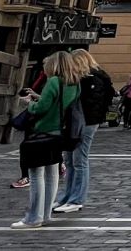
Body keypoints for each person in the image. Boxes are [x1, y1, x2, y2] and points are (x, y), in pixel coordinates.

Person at [12, 51, 81, 229]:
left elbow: (41, 108)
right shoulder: (74, 84)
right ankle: (46, 214)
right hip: (59, 133)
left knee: (36, 175)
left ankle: (34, 217)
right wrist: (41, 98)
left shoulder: (53, 81)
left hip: (43, 131)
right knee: (52, 174)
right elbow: (60, 104)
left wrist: (30, 103)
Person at [54, 50, 111, 213]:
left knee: (79, 160)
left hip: (86, 122)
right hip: (79, 122)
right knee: (71, 160)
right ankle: (66, 197)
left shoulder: (92, 79)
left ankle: (76, 199)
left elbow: (89, 103)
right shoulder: (89, 78)